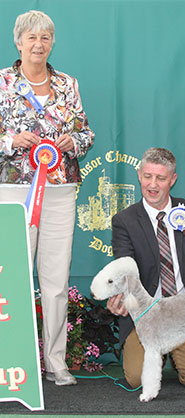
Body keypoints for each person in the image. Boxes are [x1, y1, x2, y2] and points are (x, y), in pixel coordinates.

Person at [0, 10, 94, 385]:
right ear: (18, 42)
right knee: (12, 278)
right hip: (13, 189)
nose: (38, 44)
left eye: (45, 38)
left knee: (55, 279)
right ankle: (12, 358)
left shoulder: (68, 84)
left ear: (52, 42)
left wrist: (75, 141)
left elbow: (86, 133)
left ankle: (56, 361)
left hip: (60, 189)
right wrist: (10, 141)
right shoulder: (3, 82)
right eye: (31, 37)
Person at [107, 147, 185, 389]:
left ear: (173, 179)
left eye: (161, 178)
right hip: (145, 315)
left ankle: (175, 353)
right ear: (139, 175)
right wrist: (120, 297)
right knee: (137, 380)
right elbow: (125, 268)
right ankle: (157, 355)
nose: (153, 184)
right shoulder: (124, 221)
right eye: (148, 176)